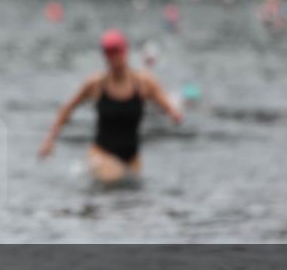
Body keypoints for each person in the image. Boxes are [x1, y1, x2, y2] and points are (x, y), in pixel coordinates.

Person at [38, 29, 182, 184]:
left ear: (125, 52)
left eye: (116, 51)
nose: (112, 57)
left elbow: (168, 106)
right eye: (108, 52)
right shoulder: (96, 84)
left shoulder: (144, 83)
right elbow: (67, 109)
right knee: (114, 180)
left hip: (132, 157)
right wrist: (49, 140)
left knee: (134, 196)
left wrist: (174, 114)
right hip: (101, 155)